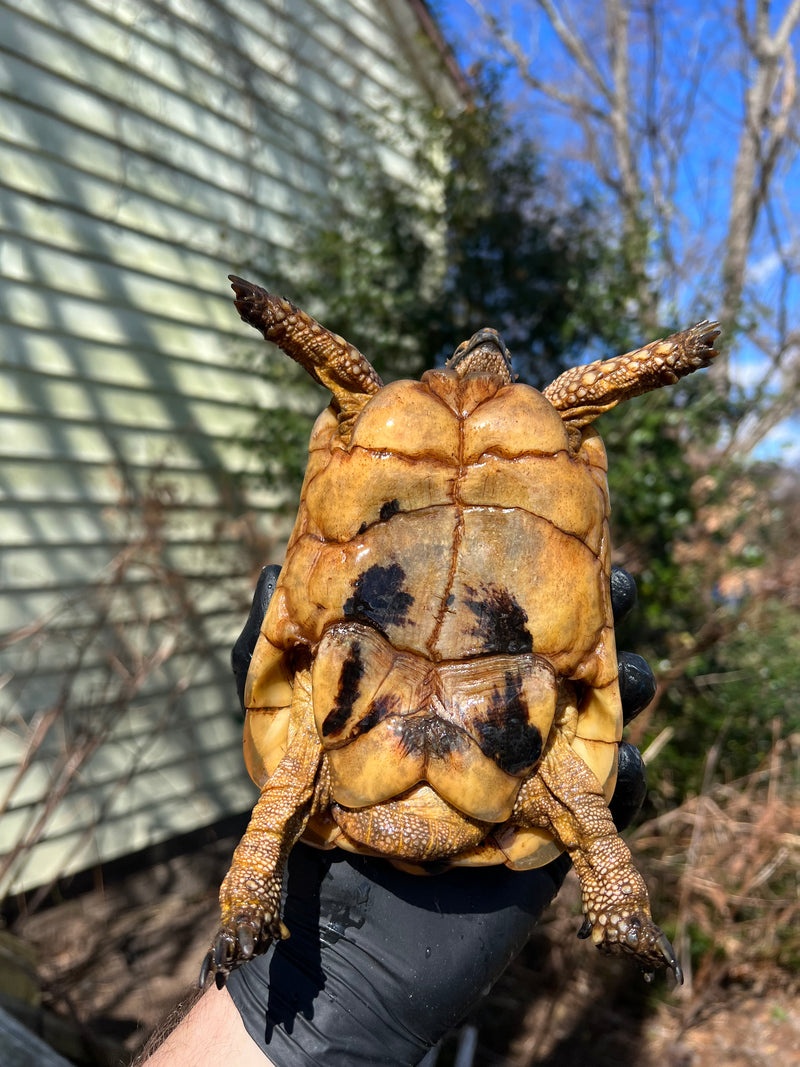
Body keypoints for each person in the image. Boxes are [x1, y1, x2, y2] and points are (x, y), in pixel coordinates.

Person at [139, 567, 655, 1066]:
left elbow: (271, 822)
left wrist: (251, 906)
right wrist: (621, 904)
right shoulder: (544, 781)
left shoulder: (313, 759)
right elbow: (588, 818)